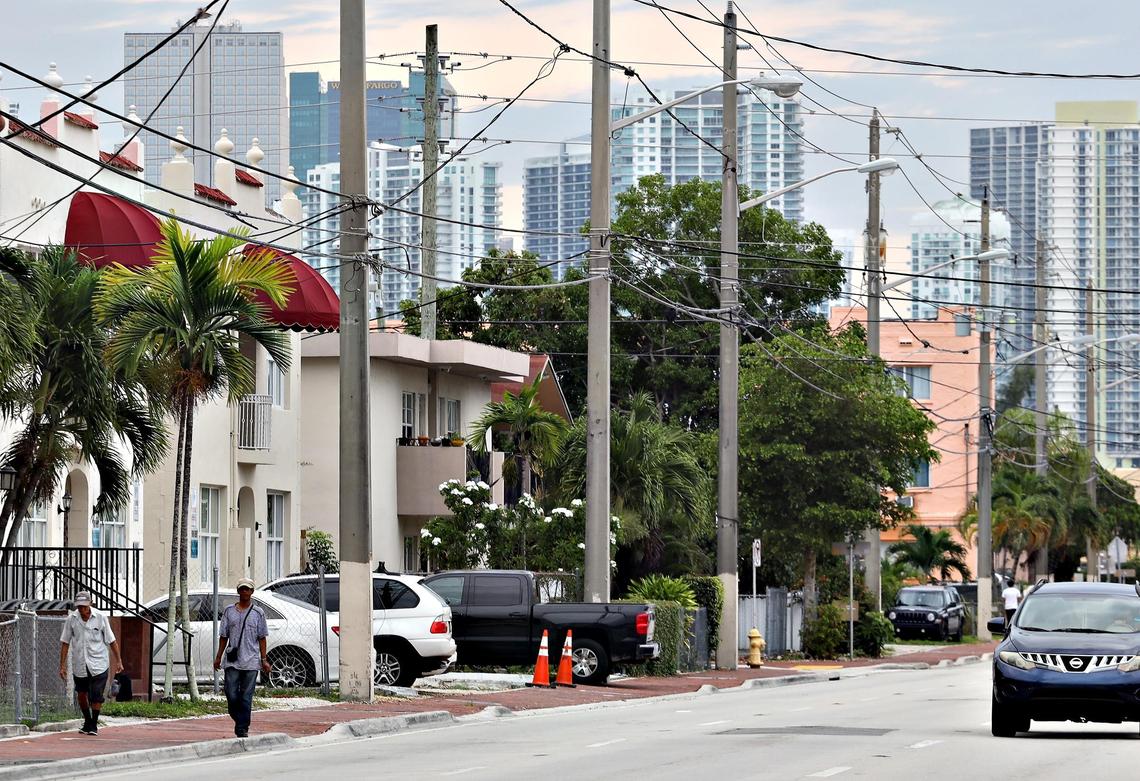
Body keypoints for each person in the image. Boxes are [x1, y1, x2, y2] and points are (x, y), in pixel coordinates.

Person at [59, 591, 123, 736]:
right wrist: (62, 665)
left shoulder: (100, 617)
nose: (82, 610)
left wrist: (118, 660)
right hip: (79, 663)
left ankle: (93, 724)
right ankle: (87, 721)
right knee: (81, 694)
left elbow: (111, 641)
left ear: (90, 604)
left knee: (96, 695)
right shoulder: (72, 619)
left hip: (98, 663)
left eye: (84, 607)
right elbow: (65, 642)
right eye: (79, 607)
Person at [213, 577, 270, 738]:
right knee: (231, 694)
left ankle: (242, 728)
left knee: (246, 696)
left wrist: (264, 659)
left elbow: (262, 637)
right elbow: (223, 636)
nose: (245, 591)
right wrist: (218, 657)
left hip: (251, 661)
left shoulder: (258, 613)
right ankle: (240, 719)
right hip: (232, 660)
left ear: (252, 592)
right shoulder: (229, 611)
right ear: (238, 591)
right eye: (242, 589)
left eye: (248, 589)